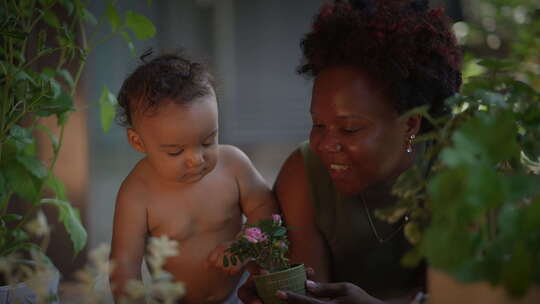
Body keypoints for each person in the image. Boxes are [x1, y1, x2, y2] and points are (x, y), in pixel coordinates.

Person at [240, 0, 462, 303]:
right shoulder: (303, 175)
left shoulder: (454, 171)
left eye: (349, 129)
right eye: (318, 125)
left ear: (410, 124)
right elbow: (311, 293)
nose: (325, 144)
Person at [109, 53, 279, 304]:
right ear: (138, 142)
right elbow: (124, 264)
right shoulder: (137, 193)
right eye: (176, 151)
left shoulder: (233, 165)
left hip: (241, 294)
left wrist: (246, 246)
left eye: (208, 140)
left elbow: (267, 209)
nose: (196, 159)